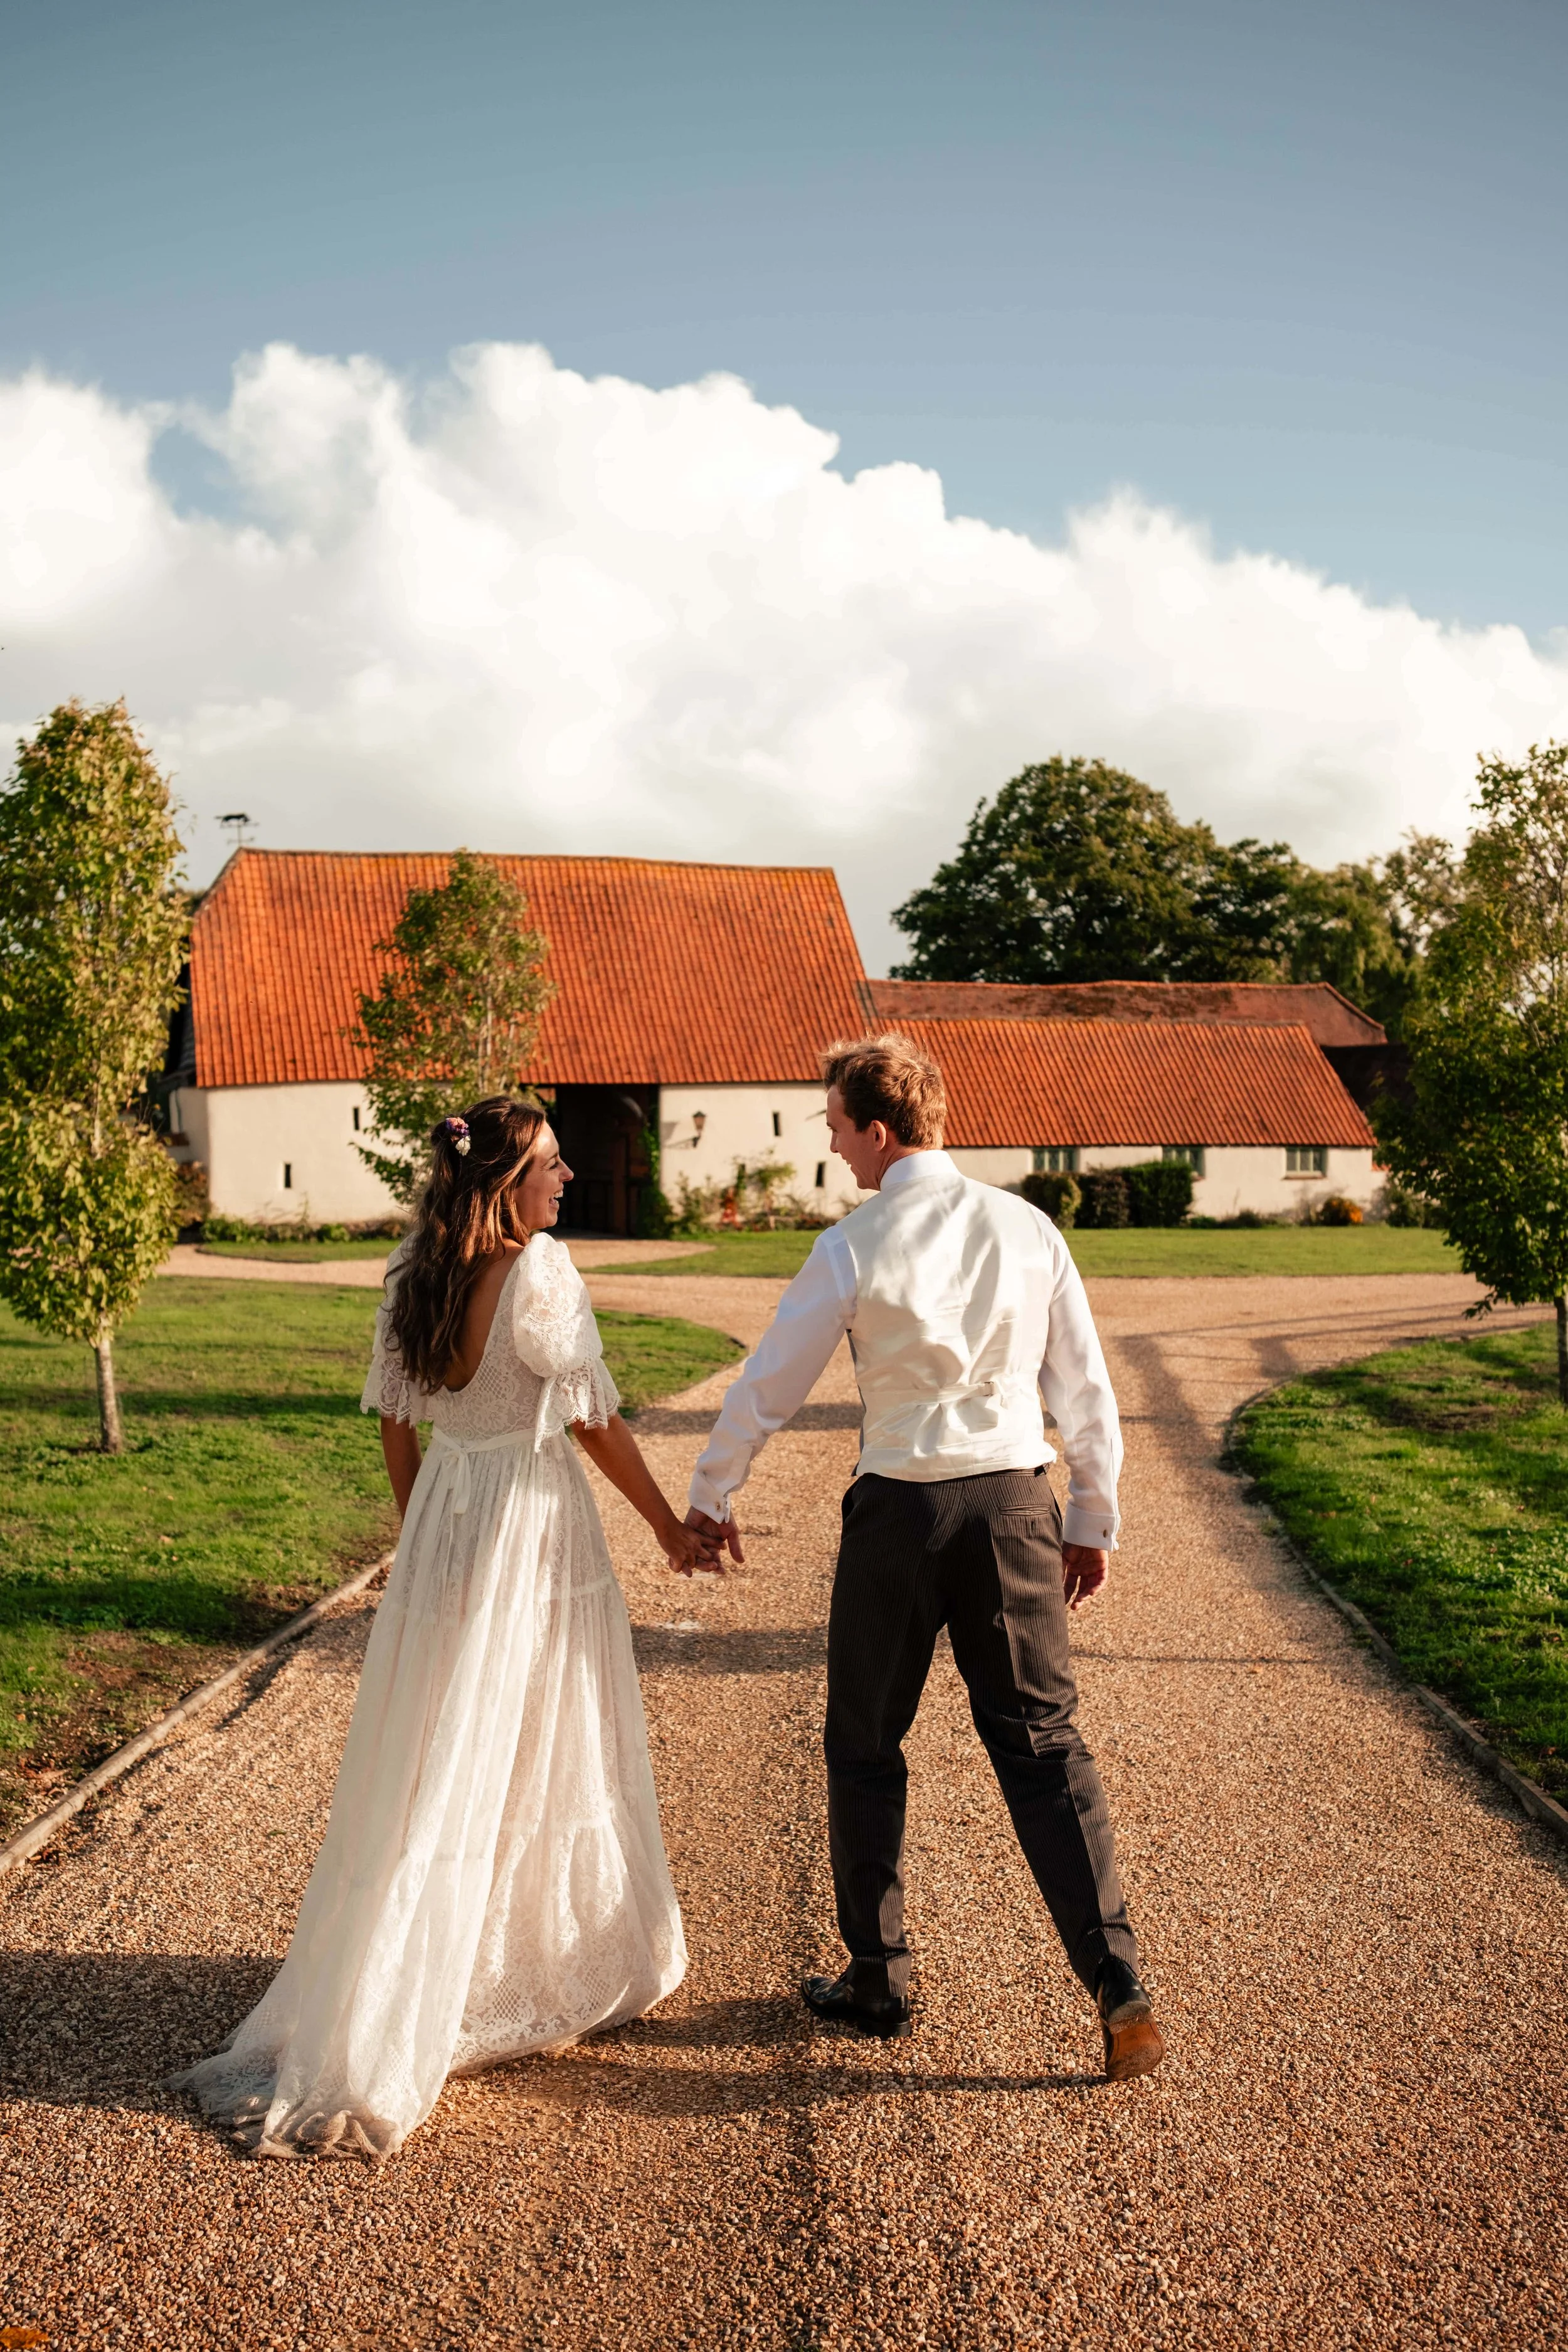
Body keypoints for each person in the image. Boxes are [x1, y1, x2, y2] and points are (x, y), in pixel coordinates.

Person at [176, 1096, 711, 2157]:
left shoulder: (412, 1273)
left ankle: (445, 1953)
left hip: (450, 1516)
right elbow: (591, 1419)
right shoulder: (539, 1275)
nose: (567, 1181)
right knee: (533, 1730)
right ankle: (504, 1968)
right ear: (505, 1182)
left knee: (440, 1743)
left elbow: (397, 1425)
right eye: (552, 1167)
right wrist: (665, 1523)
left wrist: (424, 1541)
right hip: (529, 1518)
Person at [686, 1035, 1163, 2080]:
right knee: (1044, 1745)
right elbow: (1084, 1385)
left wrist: (713, 1491)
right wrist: (1093, 1516)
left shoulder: (853, 1244)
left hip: (900, 1511)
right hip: (1014, 1506)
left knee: (864, 1743)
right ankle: (1117, 1979)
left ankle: (879, 1974)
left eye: (837, 1126)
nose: (833, 1143)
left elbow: (770, 1381)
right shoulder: (1030, 1227)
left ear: (880, 1130)